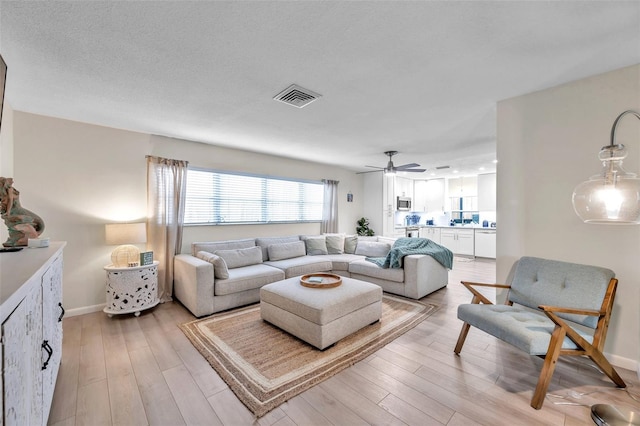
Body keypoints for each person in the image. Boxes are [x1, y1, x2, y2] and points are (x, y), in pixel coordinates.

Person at [0, 177, 45, 247]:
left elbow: (10, 200)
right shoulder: (4, 192)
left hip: (16, 210)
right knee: (10, 222)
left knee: (18, 220)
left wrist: (8, 211)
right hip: (14, 210)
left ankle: (21, 237)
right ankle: (16, 238)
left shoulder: (10, 189)